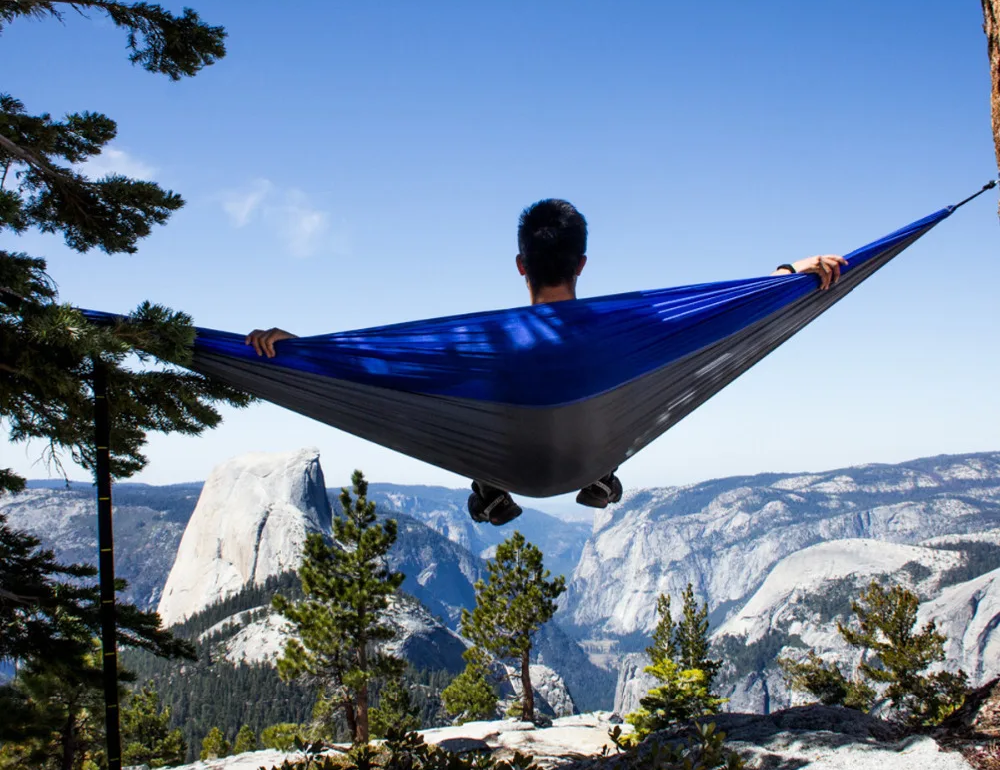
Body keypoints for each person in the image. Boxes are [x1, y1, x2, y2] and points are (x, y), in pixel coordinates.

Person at [246, 198, 847, 527]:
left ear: (520, 265)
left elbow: (367, 364)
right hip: (585, 457)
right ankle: (601, 477)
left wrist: (294, 350)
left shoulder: (481, 341)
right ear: (582, 264)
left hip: (511, 462)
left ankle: (488, 489)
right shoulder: (631, 324)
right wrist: (792, 273)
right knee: (633, 393)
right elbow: (728, 308)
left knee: (465, 405)